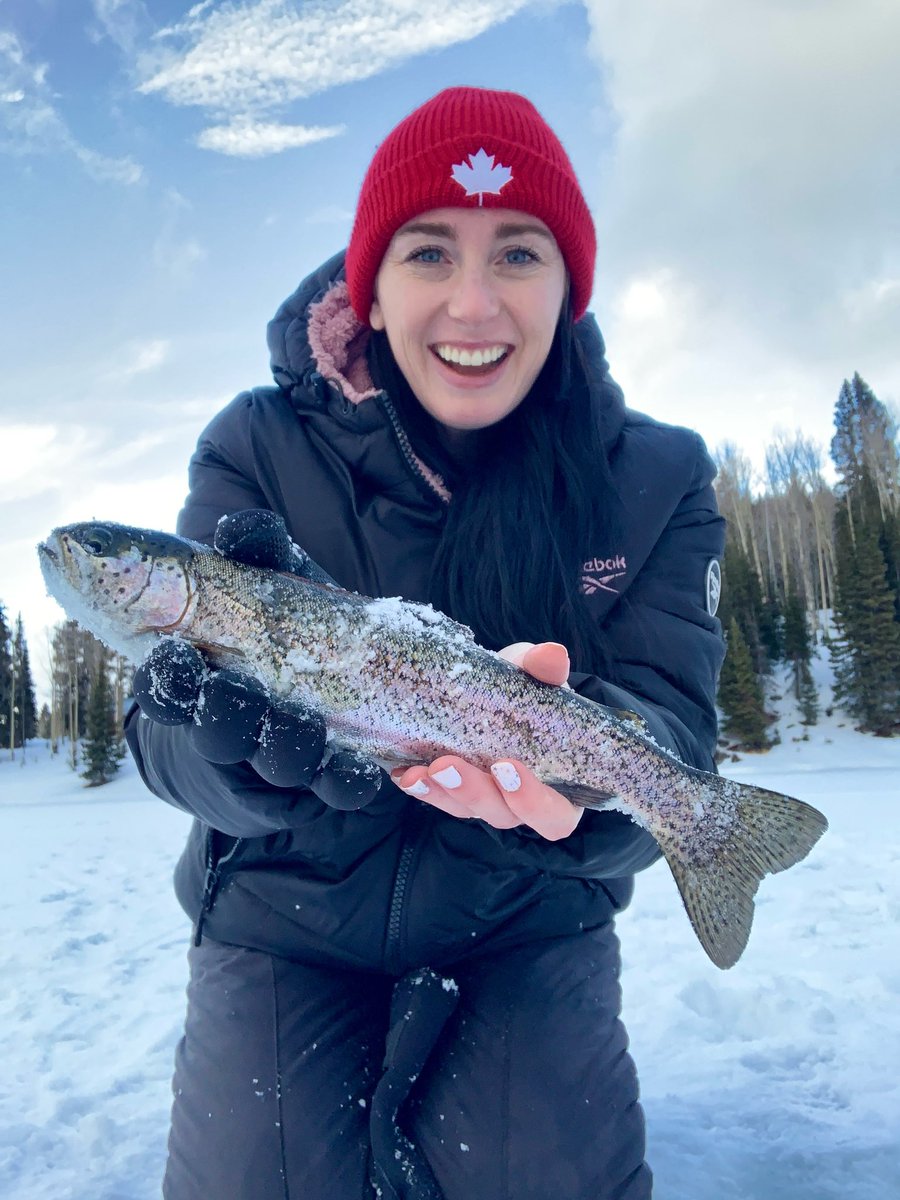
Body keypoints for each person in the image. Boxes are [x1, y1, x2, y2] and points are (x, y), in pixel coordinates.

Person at [125, 86, 726, 1200]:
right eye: (429, 252)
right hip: (281, 913)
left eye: (519, 252)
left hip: (526, 915)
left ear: (569, 281)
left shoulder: (655, 479)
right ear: (371, 281)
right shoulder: (255, 446)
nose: (473, 302)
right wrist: (233, 760)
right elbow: (161, 720)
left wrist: (592, 786)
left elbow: (676, 730)